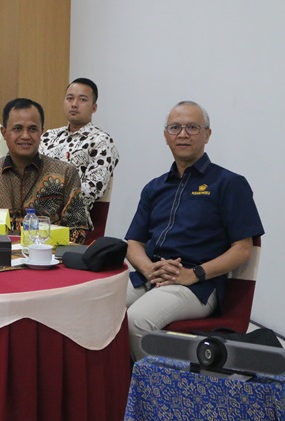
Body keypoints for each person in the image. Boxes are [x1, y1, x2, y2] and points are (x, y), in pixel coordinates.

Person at [125, 101, 264, 361]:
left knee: (136, 321)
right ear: (165, 135)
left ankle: (157, 387)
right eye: (175, 127)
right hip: (150, 275)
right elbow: (134, 242)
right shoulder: (154, 187)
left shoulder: (229, 184)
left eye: (192, 127)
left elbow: (243, 249)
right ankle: (114, 382)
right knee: (97, 305)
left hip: (198, 285)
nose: (183, 134)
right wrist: (148, 268)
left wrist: (193, 274)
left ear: (207, 134)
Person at [0, 98, 90, 243]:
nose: (25, 136)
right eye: (17, 129)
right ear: (4, 133)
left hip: (48, 254)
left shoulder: (65, 173)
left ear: (41, 132)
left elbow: (77, 231)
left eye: (32, 129)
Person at [39, 78, 119, 208]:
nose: (74, 104)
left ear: (94, 108)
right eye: (70, 98)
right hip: (35, 212)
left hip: (74, 215)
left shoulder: (101, 142)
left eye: (82, 99)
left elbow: (91, 190)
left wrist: (48, 194)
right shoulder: (48, 137)